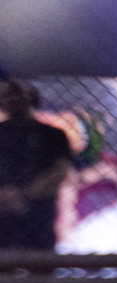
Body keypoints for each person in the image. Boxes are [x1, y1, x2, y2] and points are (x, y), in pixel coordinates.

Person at [0, 78, 76, 250]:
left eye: (17, 94)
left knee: (39, 259)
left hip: (38, 214)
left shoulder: (52, 135)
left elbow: (59, 171)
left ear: (32, 96)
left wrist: (24, 195)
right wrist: (5, 196)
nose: (13, 99)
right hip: (4, 214)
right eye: (8, 94)